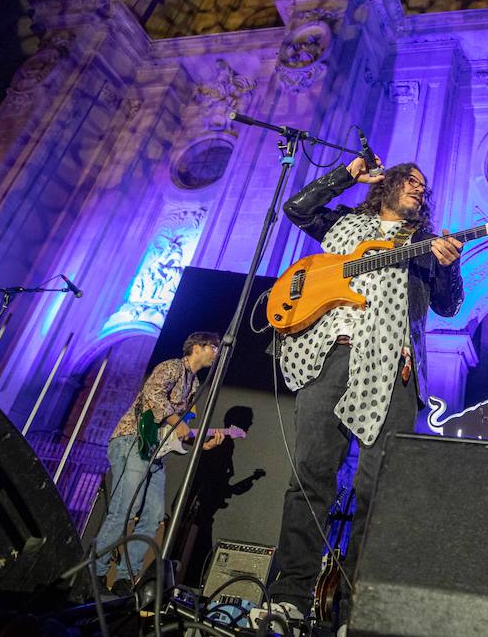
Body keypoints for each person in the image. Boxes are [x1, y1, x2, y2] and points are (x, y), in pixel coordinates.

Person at [267, 157, 464, 626]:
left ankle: (355, 613)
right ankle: (288, 598)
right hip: (330, 355)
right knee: (310, 476)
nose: (420, 189)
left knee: (376, 490)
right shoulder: (344, 224)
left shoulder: (423, 245)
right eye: (411, 181)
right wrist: (345, 175)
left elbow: (449, 306)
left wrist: (450, 268)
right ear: (389, 185)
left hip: (395, 366)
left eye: (424, 186)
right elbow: (296, 208)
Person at [92, 331, 225, 595]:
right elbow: (153, 396)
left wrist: (199, 443)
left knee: (152, 516)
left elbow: (173, 432)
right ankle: (93, 573)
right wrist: (179, 423)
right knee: (124, 511)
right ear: (197, 347)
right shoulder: (171, 367)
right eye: (213, 347)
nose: (216, 352)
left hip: (154, 451)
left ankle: (124, 578)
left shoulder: (194, 385)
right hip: (133, 440)